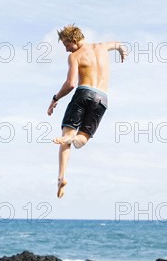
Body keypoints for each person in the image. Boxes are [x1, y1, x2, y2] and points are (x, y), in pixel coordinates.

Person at [47, 24, 126, 198]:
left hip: (84, 93)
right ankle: (74, 138)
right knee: (81, 141)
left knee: (66, 137)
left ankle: (61, 177)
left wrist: (55, 99)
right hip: (102, 99)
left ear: (74, 40)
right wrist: (121, 51)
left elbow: (71, 84)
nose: (67, 50)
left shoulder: (75, 56)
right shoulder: (102, 47)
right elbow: (118, 44)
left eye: (67, 45)